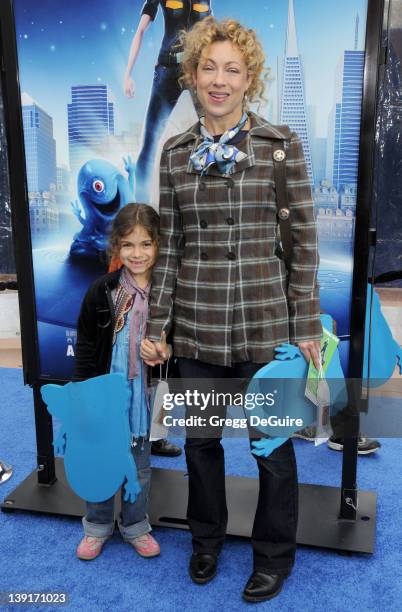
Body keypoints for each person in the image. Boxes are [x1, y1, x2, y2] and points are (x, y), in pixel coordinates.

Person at [141, 17, 322, 602]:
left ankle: (273, 556)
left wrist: (306, 323)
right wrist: (159, 324)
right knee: (200, 445)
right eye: (208, 68)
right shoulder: (173, 155)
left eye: (233, 70)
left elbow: (304, 243)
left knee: (271, 449)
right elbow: (169, 250)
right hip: (196, 327)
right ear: (192, 76)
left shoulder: (280, 146)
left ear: (250, 79)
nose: (219, 80)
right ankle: (206, 541)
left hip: (267, 326)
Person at [74, 203, 169, 561]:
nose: (137, 253)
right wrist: (85, 394)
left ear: (159, 244)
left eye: (146, 244)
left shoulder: (167, 293)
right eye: (128, 245)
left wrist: (165, 350)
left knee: (139, 465)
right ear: (116, 246)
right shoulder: (103, 291)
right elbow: (85, 344)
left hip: (144, 397)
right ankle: (97, 526)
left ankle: (135, 525)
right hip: (104, 392)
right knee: (99, 458)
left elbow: (181, 342)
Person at [124, 0, 212, 202]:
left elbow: (211, 37)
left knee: (214, 139)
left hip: (196, 71)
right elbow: (140, 32)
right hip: (167, 70)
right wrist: (128, 74)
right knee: (149, 142)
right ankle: (141, 211)